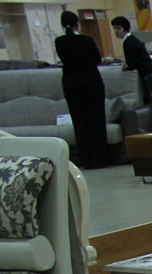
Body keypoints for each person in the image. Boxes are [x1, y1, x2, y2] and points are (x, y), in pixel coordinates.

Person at [54, 11, 107, 168]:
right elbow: (97, 59)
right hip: (91, 82)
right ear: (77, 23)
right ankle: (99, 159)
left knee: (79, 122)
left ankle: (85, 160)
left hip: (71, 83)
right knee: (96, 120)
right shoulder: (86, 40)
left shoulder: (59, 42)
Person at [112, 15, 152, 131]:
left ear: (125, 28)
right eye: (114, 28)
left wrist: (126, 66)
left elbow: (131, 63)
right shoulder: (133, 39)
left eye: (118, 28)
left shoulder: (127, 42)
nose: (116, 31)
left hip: (150, 73)